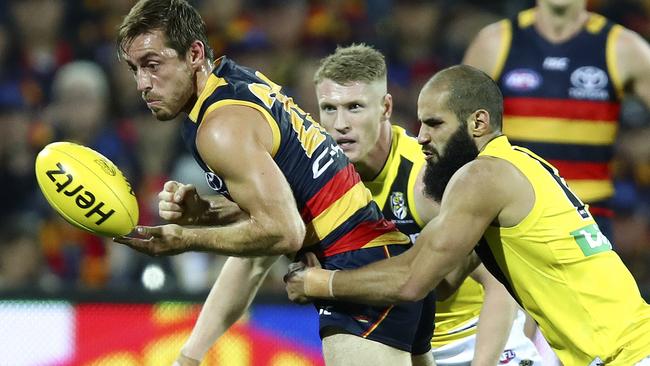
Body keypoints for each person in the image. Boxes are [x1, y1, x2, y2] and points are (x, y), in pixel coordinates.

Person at [113, 1, 434, 365]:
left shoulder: (220, 129)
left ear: (195, 54)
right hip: (382, 259)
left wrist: (183, 239)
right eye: (134, 69)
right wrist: (205, 214)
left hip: (359, 279)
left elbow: (283, 232)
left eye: (153, 65)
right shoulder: (238, 82)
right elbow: (283, 203)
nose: (142, 84)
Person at [285, 64, 650, 366]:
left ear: (477, 123)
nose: (422, 136)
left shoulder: (481, 176)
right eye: (421, 123)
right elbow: (442, 281)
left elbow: (413, 280)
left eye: (435, 124)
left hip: (626, 354)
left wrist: (321, 283)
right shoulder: (516, 164)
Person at [313, 44, 541, 365]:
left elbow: (498, 285)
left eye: (354, 107)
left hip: (474, 339)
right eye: (329, 108)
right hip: (399, 346)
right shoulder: (318, 181)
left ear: (385, 108)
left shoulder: (423, 178)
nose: (340, 124)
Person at [462, 0, 650, 240]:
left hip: (588, 219)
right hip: (511, 215)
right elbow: (456, 130)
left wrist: (635, 145)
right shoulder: (495, 42)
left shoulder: (622, 47)